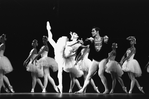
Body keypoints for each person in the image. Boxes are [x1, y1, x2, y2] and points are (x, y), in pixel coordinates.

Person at [76, 27, 109, 94]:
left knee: (100, 74)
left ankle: (107, 89)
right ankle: (82, 90)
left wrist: (106, 40)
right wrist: (83, 42)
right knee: (89, 75)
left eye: (93, 31)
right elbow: (85, 43)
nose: (92, 32)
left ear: (97, 31)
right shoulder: (92, 40)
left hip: (102, 59)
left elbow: (107, 44)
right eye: (92, 31)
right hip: (95, 60)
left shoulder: (103, 38)